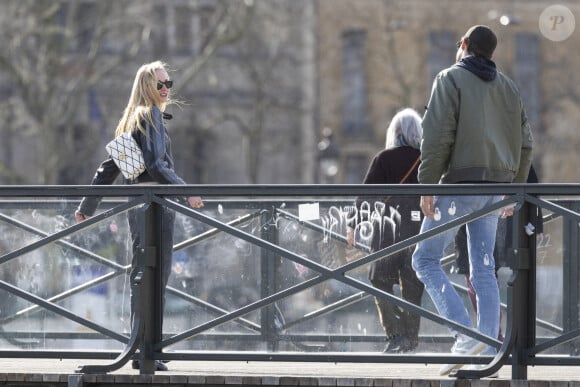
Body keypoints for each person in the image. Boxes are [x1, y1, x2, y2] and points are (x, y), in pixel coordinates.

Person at [410, 25, 533, 376]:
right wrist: (515, 189)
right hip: (495, 190)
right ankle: (491, 348)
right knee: (483, 267)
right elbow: (527, 144)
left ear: (464, 46)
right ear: (490, 53)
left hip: (459, 187)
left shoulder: (449, 79)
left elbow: (435, 136)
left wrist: (427, 186)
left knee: (425, 259)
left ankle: (464, 336)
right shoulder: (509, 88)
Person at [75, 61, 203, 371]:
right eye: (159, 84)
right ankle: (149, 350)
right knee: (156, 277)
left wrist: (85, 207)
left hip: (138, 208)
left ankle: (142, 346)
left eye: (167, 83)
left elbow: (107, 169)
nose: (164, 89)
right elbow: (158, 166)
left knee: (142, 276)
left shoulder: (132, 120)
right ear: (145, 87)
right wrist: (186, 190)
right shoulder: (152, 116)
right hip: (156, 206)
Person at [346, 108, 424, 353]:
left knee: (379, 279)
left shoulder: (383, 159)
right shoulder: (427, 160)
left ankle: (395, 334)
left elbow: (367, 196)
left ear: (395, 132)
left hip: (387, 232)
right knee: (413, 285)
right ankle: (410, 338)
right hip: (419, 231)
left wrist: (352, 224)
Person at [454, 165, 544, 343]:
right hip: (503, 216)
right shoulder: (512, 146)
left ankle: (497, 337)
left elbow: (530, 180)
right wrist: (537, 222)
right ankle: (500, 337)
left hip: (497, 214)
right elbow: (531, 180)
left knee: (480, 274)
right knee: (485, 274)